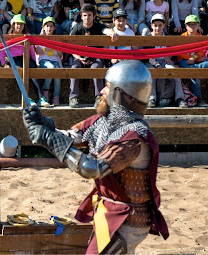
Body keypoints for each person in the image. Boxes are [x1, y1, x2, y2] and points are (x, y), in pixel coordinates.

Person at [23, 60, 169, 254]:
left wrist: (50, 139)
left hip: (127, 219)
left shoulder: (134, 137)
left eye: (107, 87)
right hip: (109, 212)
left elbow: (93, 168)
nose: (102, 92)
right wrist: (45, 126)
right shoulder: (102, 121)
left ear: (120, 94)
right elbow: (71, 137)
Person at [68, 3, 119, 108]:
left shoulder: (98, 26)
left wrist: (111, 33)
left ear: (94, 16)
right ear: (81, 16)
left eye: (89, 15)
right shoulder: (77, 28)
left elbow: (105, 30)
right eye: (85, 15)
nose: (87, 18)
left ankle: (98, 97)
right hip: (80, 57)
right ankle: (73, 97)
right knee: (74, 68)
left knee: (96, 68)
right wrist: (79, 58)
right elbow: (71, 47)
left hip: (96, 56)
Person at [0, 14, 41, 106]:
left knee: (34, 73)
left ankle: (41, 98)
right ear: (13, 25)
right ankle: (27, 98)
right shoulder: (9, 37)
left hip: (26, 58)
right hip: (14, 59)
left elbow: (31, 51)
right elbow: (2, 52)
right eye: (17, 24)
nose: (19, 26)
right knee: (21, 73)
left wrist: (36, 62)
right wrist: (3, 63)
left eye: (21, 24)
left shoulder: (27, 35)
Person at [147, 13, 187, 108]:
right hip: (151, 62)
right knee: (151, 74)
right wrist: (156, 64)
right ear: (152, 25)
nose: (157, 28)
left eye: (160, 25)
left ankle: (179, 98)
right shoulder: (148, 37)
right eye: (155, 26)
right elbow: (146, 55)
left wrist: (171, 59)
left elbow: (173, 52)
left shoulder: (168, 37)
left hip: (165, 61)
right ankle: (151, 98)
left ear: (164, 25)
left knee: (175, 73)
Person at [177, 14, 208, 107]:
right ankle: (198, 98)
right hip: (184, 61)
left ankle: (196, 68)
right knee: (196, 73)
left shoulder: (200, 36)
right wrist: (190, 58)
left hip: (195, 62)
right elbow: (180, 52)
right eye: (190, 24)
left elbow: (202, 51)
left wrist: (195, 58)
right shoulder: (182, 37)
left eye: (194, 24)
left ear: (198, 25)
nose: (192, 26)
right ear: (186, 26)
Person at [34, 17, 63, 106]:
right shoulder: (40, 38)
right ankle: (45, 90)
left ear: (54, 28)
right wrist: (45, 48)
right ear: (43, 27)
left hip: (55, 60)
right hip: (44, 60)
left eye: (51, 26)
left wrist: (55, 48)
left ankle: (56, 96)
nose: (49, 28)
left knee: (57, 72)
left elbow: (60, 54)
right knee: (51, 68)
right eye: (47, 26)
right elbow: (37, 52)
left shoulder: (57, 39)